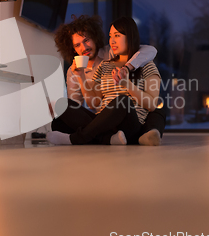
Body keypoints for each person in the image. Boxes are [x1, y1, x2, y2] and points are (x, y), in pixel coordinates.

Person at [49, 16, 164, 145]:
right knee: (61, 111)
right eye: (110, 36)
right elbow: (94, 102)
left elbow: (152, 105)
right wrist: (80, 75)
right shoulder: (104, 65)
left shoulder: (146, 65)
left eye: (117, 35)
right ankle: (108, 138)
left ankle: (77, 138)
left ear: (130, 36)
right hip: (104, 123)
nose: (112, 41)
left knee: (122, 101)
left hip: (130, 126)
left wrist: (127, 84)